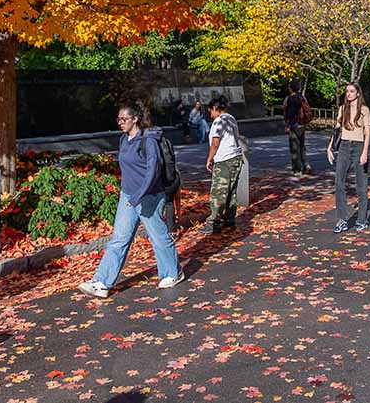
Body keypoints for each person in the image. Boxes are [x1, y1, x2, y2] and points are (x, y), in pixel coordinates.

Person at [79, 102, 184, 297]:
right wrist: (128, 193)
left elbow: (152, 171)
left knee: (158, 237)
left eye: (124, 119)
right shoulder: (123, 140)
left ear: (135, 119)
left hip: (150, 196)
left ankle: (173, 272)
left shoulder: (148, 141)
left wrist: (139, 195)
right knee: (119, 238)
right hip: (128, 196)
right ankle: (101, 282)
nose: (120, 123)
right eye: (118, 119)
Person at [327, 82, 370, 233]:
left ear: (358, 93)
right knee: (339, 182)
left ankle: (361, 219)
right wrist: (330, 147)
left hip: (359, 146)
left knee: (361, 184)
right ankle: (342, 219)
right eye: (347, 91)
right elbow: (337, 130)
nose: (349, 94)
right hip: (345, 146)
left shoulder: (364, 110)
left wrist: (365, 151)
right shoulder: (343, 109)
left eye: (352, 91)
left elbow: (367, 133)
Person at [202, 96, 248, 234]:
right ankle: (229, 220)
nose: (210, 115)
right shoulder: (231, 118)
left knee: (218, 192)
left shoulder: (219, 122)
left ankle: (214, 223)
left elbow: (215, 142)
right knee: (231, 191)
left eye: (211, 111)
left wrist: (209, 158)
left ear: (216, 108)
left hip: (224, 159)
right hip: (236, 158)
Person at [282, 81, 311, 176]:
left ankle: (297, 169)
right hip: (302, 124)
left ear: (291, 88)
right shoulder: (302, 98)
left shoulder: (289, 99)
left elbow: (288, 113)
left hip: (293, 125)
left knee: (294, 147)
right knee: (302, 146)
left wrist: (287, 125)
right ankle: (306, 165)